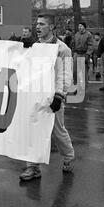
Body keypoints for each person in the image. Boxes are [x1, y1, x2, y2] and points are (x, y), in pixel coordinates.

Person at [19, 13, 75, 181]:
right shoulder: (34, 46)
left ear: (51, 27)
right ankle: (33, 167)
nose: (38, 27)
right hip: (35, 96)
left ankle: (69, 157)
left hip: (53, 97)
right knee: (33, 129)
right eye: (37, 24)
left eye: (42, 24)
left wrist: (59, 95)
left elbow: (65, 74)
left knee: (57, 131)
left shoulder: (62, 49)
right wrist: (24, 51)